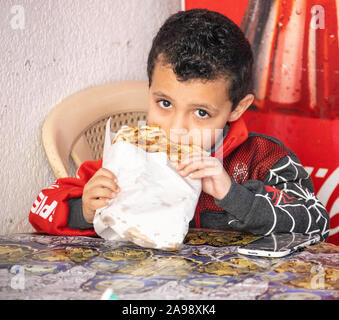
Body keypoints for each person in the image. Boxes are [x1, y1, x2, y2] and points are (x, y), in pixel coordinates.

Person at [29, 9, 329, 240]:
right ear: (149, 91)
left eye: (200, 113)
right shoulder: (128, 158)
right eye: (164, 104)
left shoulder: (264, 159)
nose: (176, 129)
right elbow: (40, 209)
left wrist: (231, 194)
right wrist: (84, 210)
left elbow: (317, 221)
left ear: (237, 108)